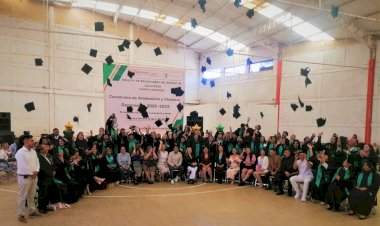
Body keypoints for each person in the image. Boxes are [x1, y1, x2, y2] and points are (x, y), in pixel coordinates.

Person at [15, 135, 41, 223]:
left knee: (32, 195)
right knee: (23, 196)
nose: (34, 142)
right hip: (24, 177)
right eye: (32, 141)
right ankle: (21, 214)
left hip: (34, 176)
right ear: (25, 142)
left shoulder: (33, 151)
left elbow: (37, 162)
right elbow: (22, 166)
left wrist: (36, 171)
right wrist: (32, 173)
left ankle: (32, 211)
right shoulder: (20, 152)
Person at [37, 143, 55, 214]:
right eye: (46, 147)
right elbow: (41, 168)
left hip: (49, 177)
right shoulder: (38, 157)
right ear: (41, 150)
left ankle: (46, 205)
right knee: (43, 193)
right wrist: (50, 173)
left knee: (48, 192)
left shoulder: (47, 156)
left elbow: (52, 164)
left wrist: (53, 170)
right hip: (43, 178)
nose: (48, 148)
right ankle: (41, 208)